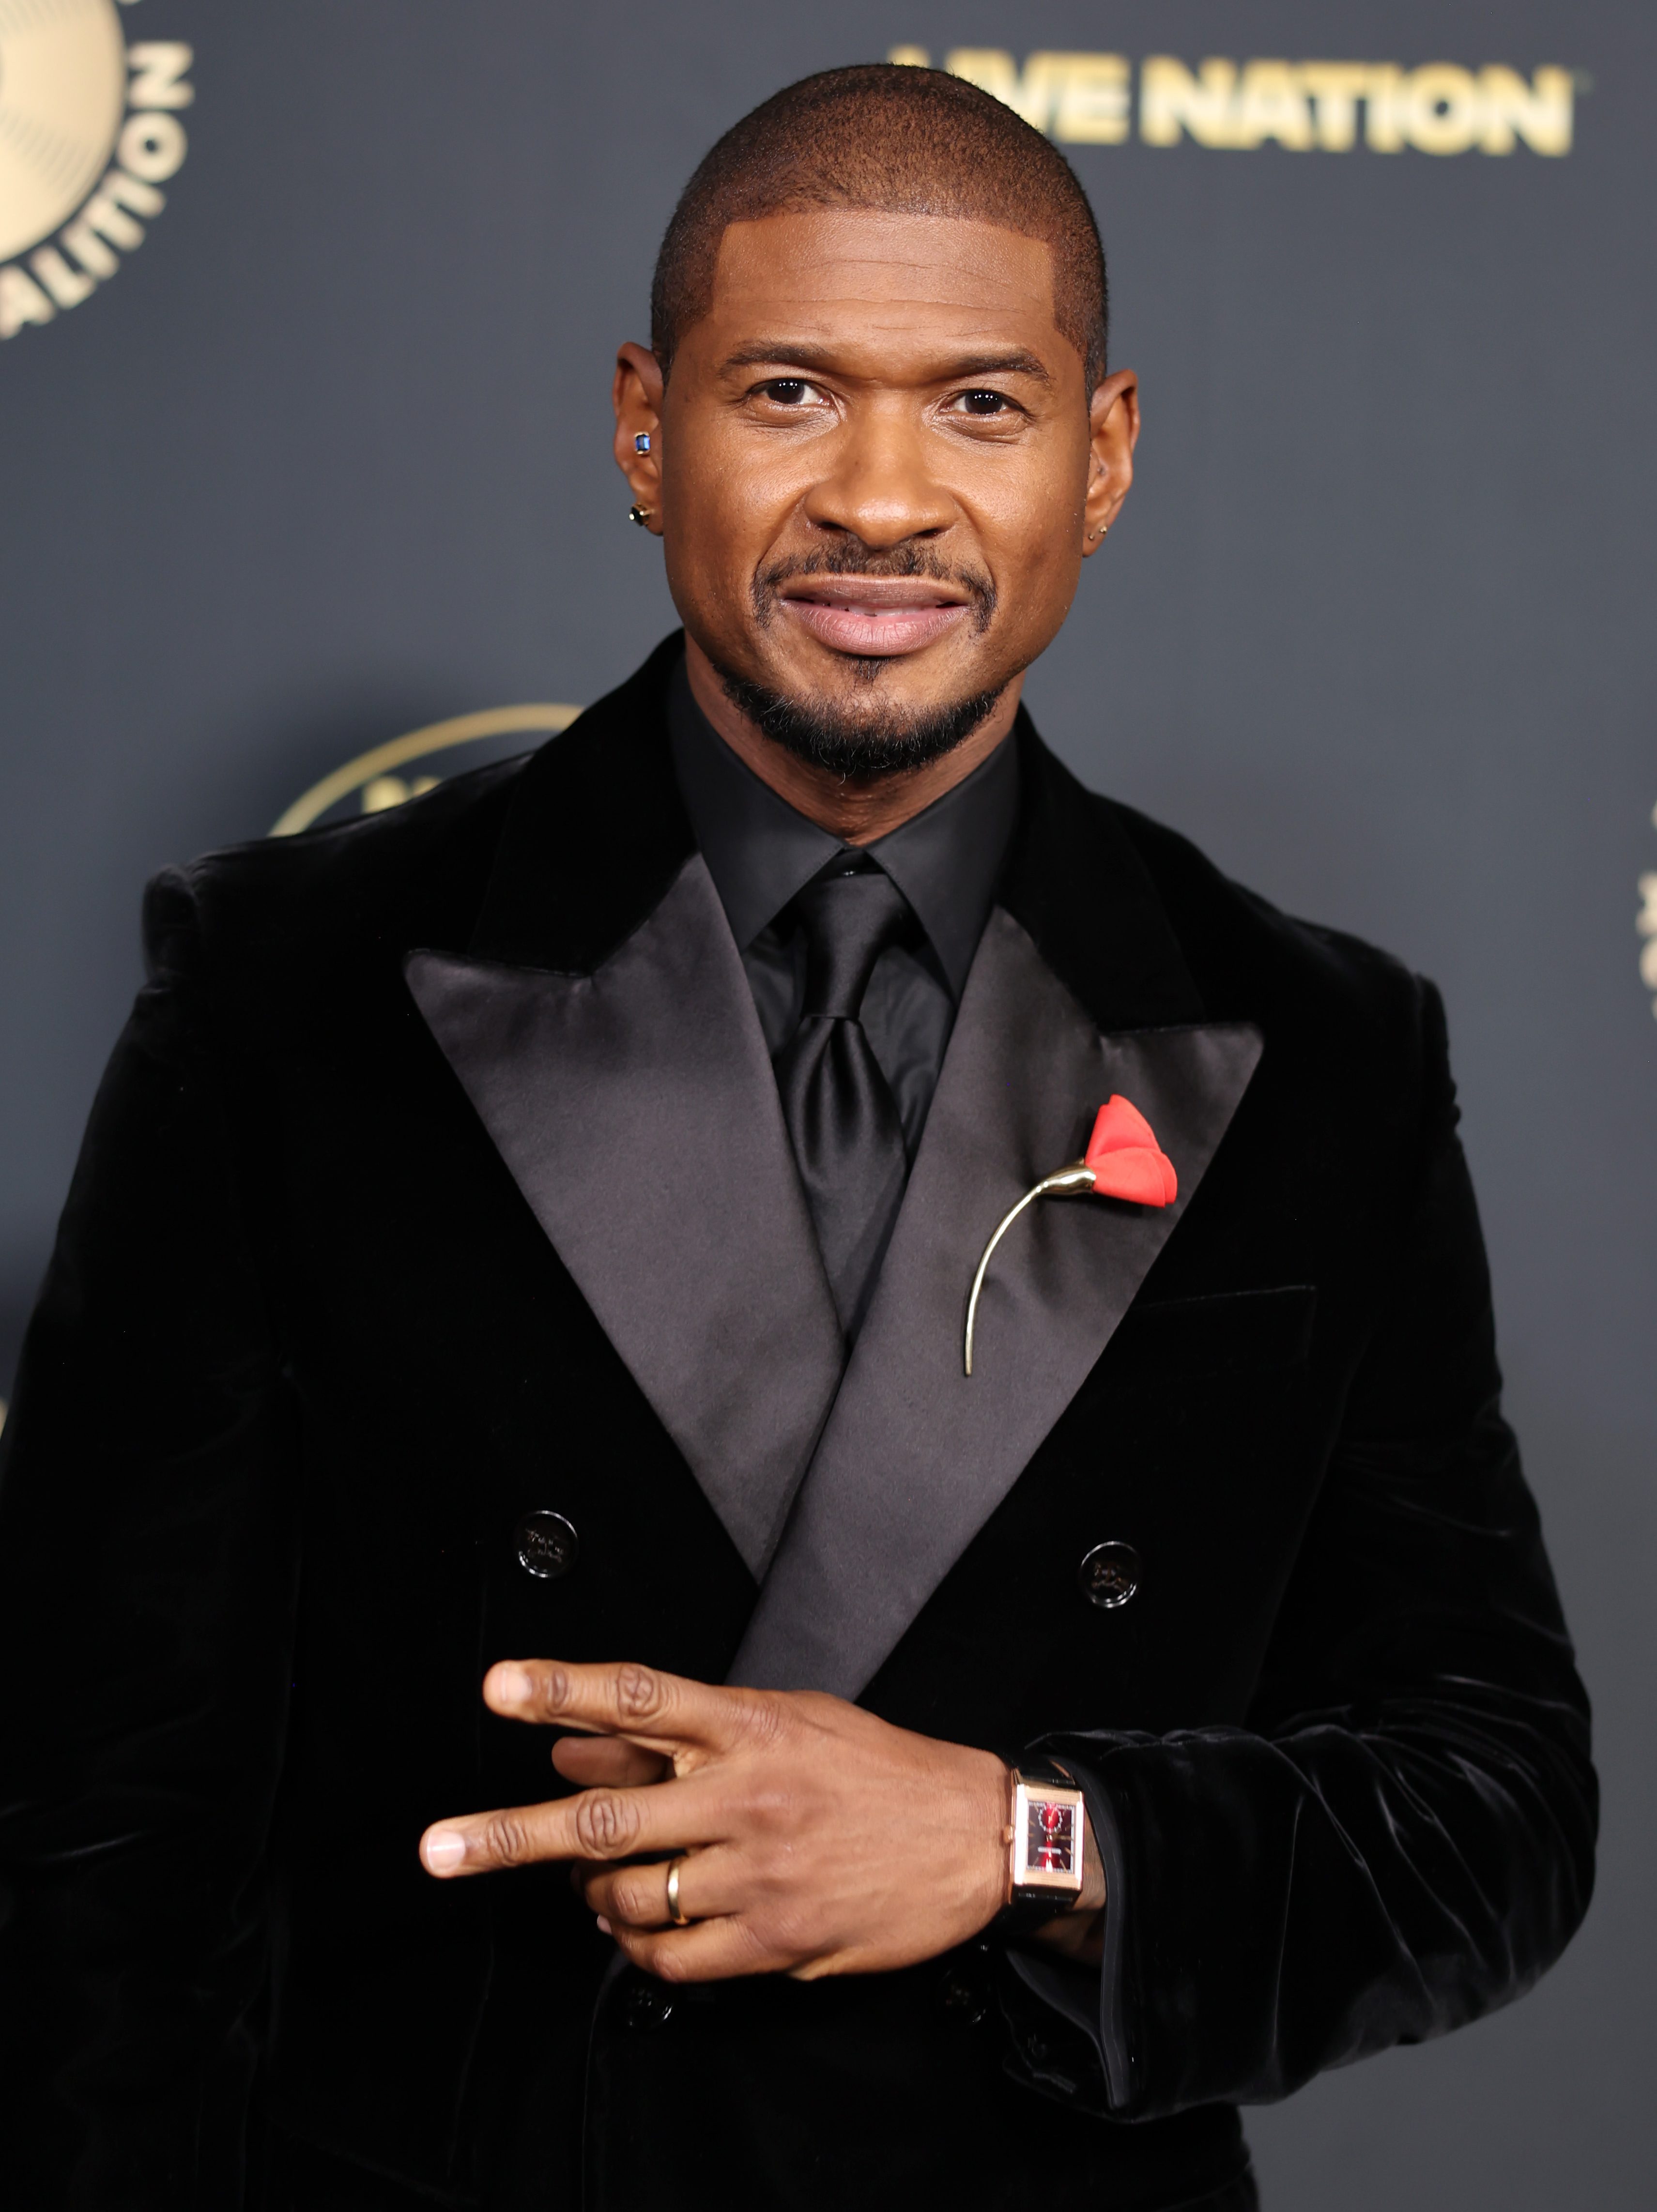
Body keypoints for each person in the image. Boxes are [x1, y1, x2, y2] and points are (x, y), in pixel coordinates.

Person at [0, 62, 1595, 2212]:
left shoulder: (1324, 1054)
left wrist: (1019, 1835)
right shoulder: (288, 990)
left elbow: (1496, 1812)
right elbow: (94, 1841)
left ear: (1103, 454)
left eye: (979, 406)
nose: (882, 498)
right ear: (644, 428)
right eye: (788, 393)